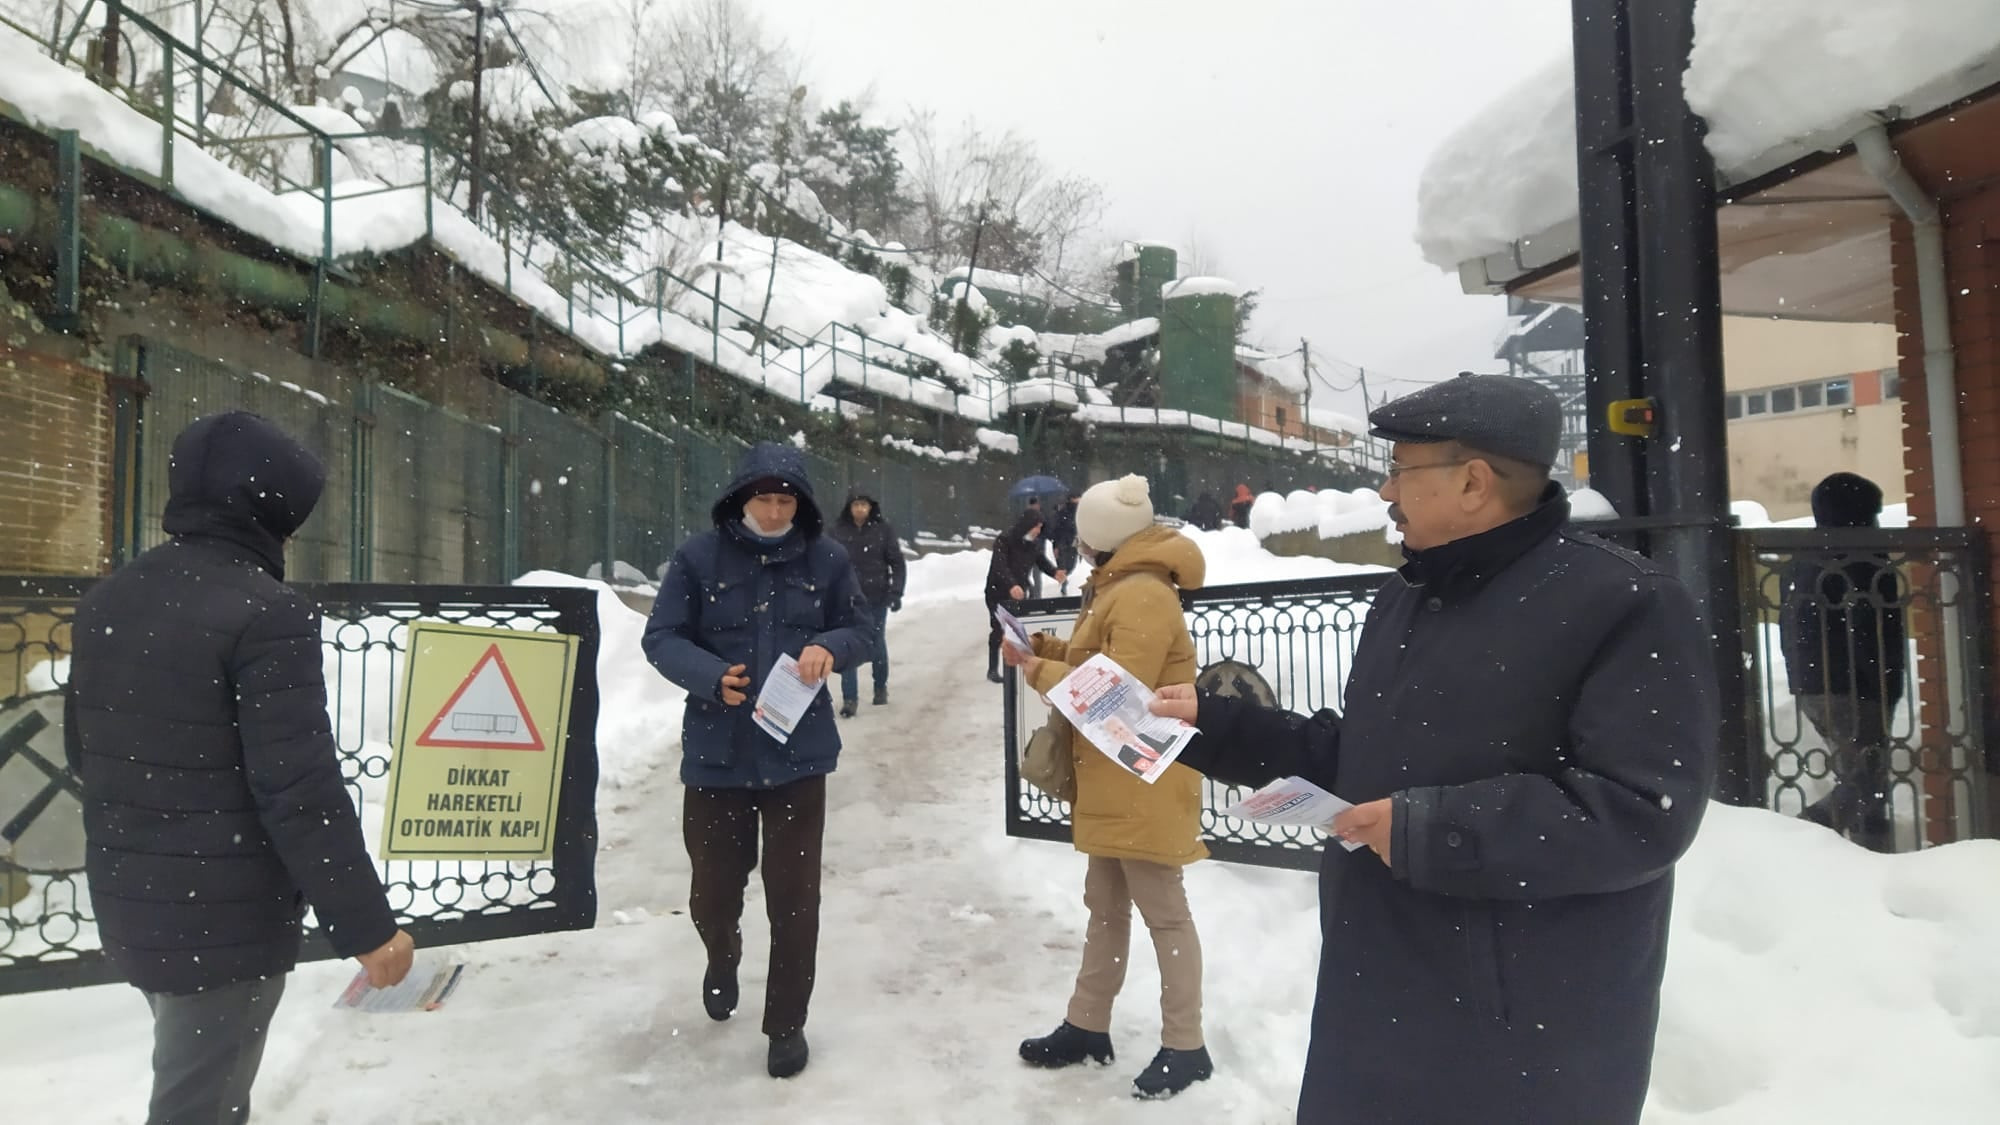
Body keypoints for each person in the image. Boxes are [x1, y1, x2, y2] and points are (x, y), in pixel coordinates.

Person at [1150, 374, 1717, 1124]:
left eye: (1401, 470)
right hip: (1377, 1007)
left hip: (1518, 1044)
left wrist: (1429, 830)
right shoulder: (1408, 595)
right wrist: (1216, 726)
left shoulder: (1624, 602)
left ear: (1474, 482)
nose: (1386, 490)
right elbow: (1365, 759)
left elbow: (1640, 809)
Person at [64, 411, 413, 1125]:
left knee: (200, 1089)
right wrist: (369, 929)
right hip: (223, 925)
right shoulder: (267, 613)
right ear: (268, 515)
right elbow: (301, 789)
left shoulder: (110, 599)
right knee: (198, 1105)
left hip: (136, 906)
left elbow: (85, 753)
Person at [641, 442, 872, 1080]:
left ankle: (786, 1023)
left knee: (796, 899)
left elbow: (863, 629)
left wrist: (830, 647)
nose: (774, 512)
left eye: (786, 500)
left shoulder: (825, 559)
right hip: (718, 758)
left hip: (798, 758)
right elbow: (660, 637)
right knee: (713, 893)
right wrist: (712, 677)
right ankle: (723, 951)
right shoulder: (696, 558)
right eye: (764, 499)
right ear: (741, 498)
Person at [1000, 473, 1213, 1100]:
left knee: (1165, 916)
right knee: (1106, 910)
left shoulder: (1142, 593)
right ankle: (1088, 1025)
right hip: (1116, 777)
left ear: (1100, 538)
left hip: (1141, 776)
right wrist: (1043, 646)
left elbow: (1116, 691)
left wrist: (1038, 669)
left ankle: (1186, 1043)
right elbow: (1102, 663)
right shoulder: (1121, 586)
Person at [1780, 472, 1904, 851]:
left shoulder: (1804, 557)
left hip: (1816, 681)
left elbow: (1789, 626)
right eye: (1873, 513)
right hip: (1854, 684)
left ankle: (1867, 858)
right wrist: (1883, 683)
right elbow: (1869, 628)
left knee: (1864, 777)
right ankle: (1802, 838)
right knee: (1867, 779)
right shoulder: (1860, 559)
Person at [825, 486, 907, 718]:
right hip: (846, 598)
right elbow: (827, 563)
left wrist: (896, 592)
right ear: (849, 507)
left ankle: (880, 686)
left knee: (876, 641)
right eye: (856, 504)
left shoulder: (883, 531)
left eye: (864, 505)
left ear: (871, 508)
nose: (860, 509)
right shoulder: (837, 531)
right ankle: (850, 698)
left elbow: (897, 563)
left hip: (876, 597)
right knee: (847, 645)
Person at [984, 510, 1064, 683]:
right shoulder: (1004, 540)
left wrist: (1054, 572)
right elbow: (1000, 566)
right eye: (1036, 526)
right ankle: (993, 668)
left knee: (1018, 628)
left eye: (1040, 527)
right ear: (1027, 525)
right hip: (997, 591)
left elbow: (1041, 561)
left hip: (1020, 593)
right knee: (999, 629)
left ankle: (1016, 664)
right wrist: (1011, 585)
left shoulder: (1032, 544)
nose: (1038, 531)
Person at [1047, 494, 1080, 593]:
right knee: (1064, 564)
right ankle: (1063, 579)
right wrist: (1056, 544)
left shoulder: (1077, 512)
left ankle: (1064, 577)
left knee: (1070, 564)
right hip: (1063, 542)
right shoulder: (1063, 513)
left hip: (1071, 542)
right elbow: (1055, 529)